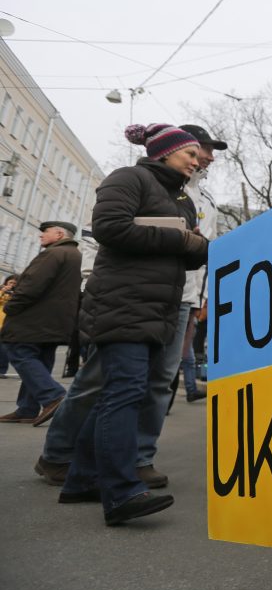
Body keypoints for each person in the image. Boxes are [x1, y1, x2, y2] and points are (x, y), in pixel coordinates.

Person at [60, 123, 208, 526]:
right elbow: (110, 227)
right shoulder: (129, 178)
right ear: (164, 151)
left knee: (122, 391)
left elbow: (191, 253)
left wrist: (198, 246)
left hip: (156, 307)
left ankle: (81, 479)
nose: (197, 162)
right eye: (190, 154)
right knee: (124, 392)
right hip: (121, 302)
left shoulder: (182, 199)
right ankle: (122, 492)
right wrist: (183, 240)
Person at [0, 222, 81, 425]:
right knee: (41, 360)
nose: (41, 236)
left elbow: (31, 285)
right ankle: (27, 409)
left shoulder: (53, 254)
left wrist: (10, 308)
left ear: (59, 233)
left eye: (45, 232)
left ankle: (53, 396)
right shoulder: (73, 255)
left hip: (34, 319)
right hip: (55, 321)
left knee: (19, 352)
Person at [168, 123, 224, 407]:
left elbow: (208, 253)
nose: (211, 157)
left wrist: (202, 298)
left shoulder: (208, 200)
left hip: (189, 297)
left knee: (169, 366)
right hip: (160, 290)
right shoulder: (166, 187)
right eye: (206, 149)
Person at [0, 274, 18, 378]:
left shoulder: (18, 295)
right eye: (10, 282)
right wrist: (3, 291)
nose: (12, 285)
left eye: (15, 284)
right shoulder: (1, 291)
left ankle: (1, 370)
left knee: (3, 349)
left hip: (8, 325)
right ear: (6, 282)